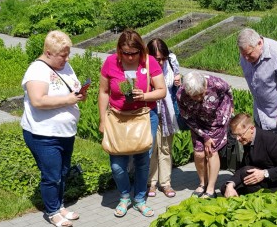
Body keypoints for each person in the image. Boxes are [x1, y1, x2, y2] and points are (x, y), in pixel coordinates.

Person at [21, 30, 86, 227]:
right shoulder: (37, 71)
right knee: (51, 175)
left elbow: (70, 87)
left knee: (63, 172)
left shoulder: (65, 66)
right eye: (62, 55)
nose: (66, 59)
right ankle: (52, 212)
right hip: (43, 133)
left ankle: (60, 206)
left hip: (66, 132)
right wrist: (68, 99)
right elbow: (38, 100)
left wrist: (79, 94)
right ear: (48, 53)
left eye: (68, 54)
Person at [98, 29, 166, 217]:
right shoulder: (110, 62)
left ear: (141, 50)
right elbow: (103, 92)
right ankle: (125, 195)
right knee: (117, 164)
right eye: (125, 53)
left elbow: (161, 91)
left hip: (143, 116)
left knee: (142, 160)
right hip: (118, 117)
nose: (129, 57)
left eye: (133, 53)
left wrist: (144, 95)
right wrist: (103, 119)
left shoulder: (149, 62)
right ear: (119, 50)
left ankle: (140, 199)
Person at [237, 28, 277, 146]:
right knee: (263, 153)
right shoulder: (246, 55)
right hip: (260, 114)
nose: (246, 59)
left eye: (249, 54)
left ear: (259, 43)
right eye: (243, 55)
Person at [176, 71, 233, 199]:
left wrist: (230, 108)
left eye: (200, 94)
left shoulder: (217, 84)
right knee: (199, 153)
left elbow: (228, 89)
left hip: (216, 121)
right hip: (197, 123)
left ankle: (211, 189)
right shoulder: (181, 95)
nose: (198, 98)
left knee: (211, 151)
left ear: (205, 86)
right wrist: (204, 136)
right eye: (194, 96)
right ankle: (202, 183)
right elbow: (187, 118)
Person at [221, 113, 277, 198]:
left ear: (251, 129)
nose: (237, 139)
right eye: (235, 135)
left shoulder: (272, 141)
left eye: (240, 135)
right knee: (226, 189)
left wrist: (264, 174)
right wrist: (230, 184)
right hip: (266, 181)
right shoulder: (248, 140)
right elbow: (243, 166)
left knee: (245, 173)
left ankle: (263, 204)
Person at [146, 38, 181, 198]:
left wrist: (178, 81)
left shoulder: (172, 62)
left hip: (167, 112)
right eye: (157, 58)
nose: (160, 62)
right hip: (150, 112)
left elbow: (176, 87)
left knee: (166, 148)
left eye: (163, 58)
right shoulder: (144, 66)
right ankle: (150, 183)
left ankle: (166, 183)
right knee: (151, 148)